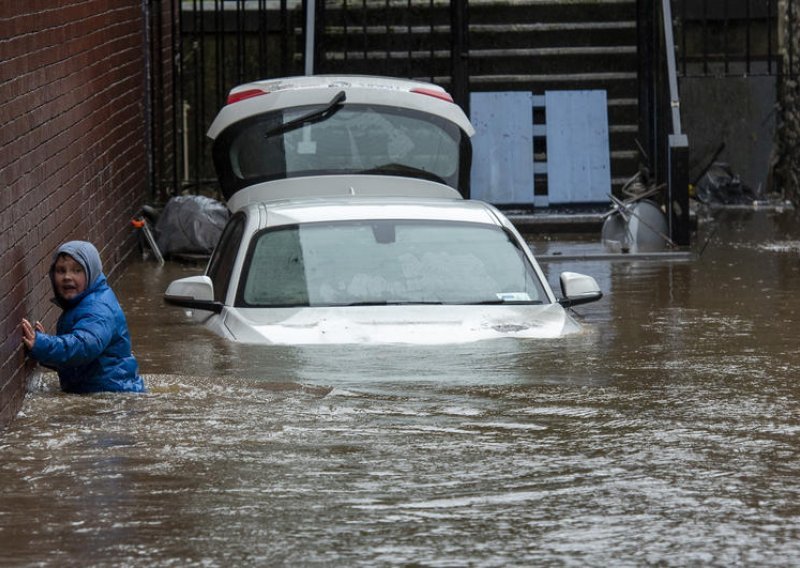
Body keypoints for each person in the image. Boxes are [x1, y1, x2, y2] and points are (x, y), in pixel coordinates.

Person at [21, 240, 145, 394]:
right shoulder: (81, 304)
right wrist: (43, 351)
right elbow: (78, 362)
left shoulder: (98, 309)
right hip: (102, 390)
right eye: (61, 270)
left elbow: (83, 347)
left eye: (77, 270)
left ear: (91, 273)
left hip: (113, 395)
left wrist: (43, 344)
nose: (67, 276)